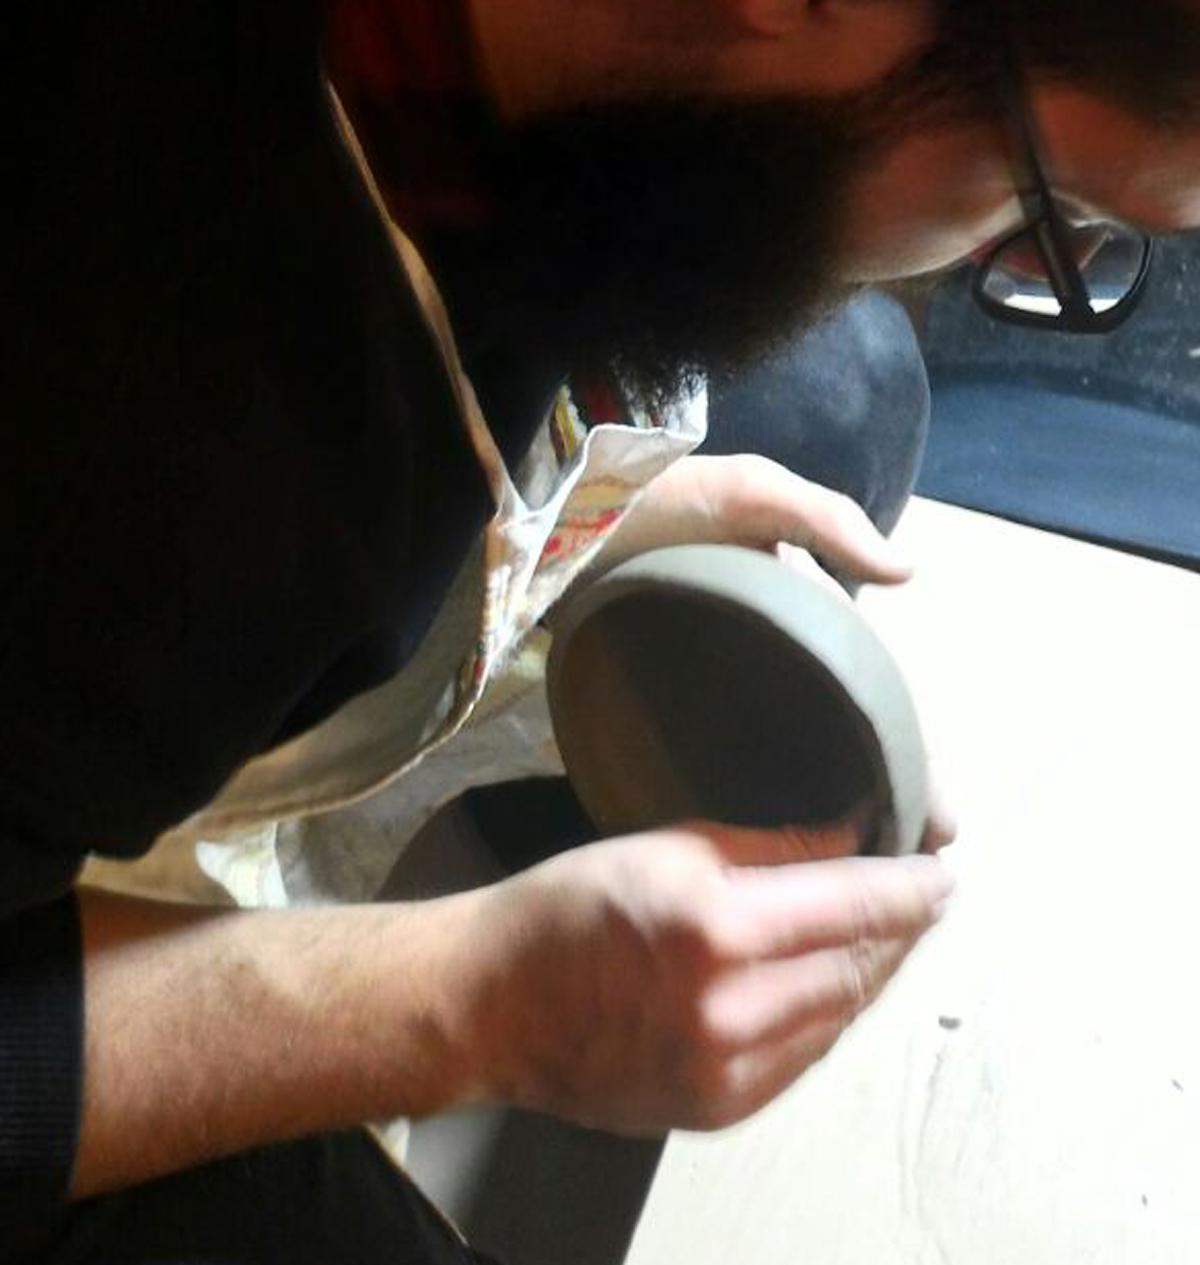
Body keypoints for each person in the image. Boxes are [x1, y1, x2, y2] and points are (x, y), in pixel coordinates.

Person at [4, 1, 1200, 1260]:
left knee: (845, 401)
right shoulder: (156, 461)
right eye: (1044, 214)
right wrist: (480, 999)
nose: (977, 264)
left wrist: (599, 520)